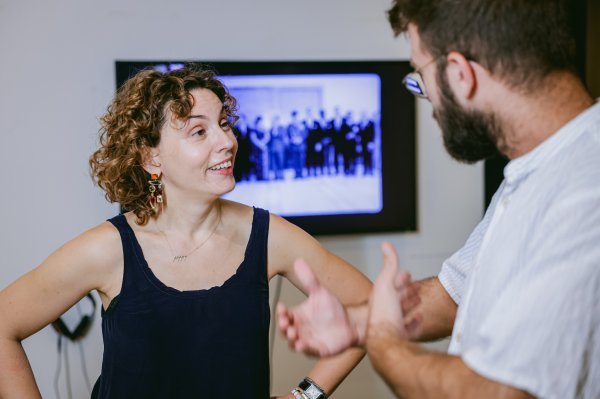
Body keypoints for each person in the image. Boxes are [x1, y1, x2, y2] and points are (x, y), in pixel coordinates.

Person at [277, 1, 600, 398]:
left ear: (462, 75)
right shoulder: (538, 167)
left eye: (420, 77)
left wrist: (382, 341)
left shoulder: (586, 188)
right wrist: (356, 323)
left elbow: (496, 393)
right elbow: (454, 296)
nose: (425, 98)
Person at [0, 65, 373, 399]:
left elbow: (373, 307)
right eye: (199, 131)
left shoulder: (268, 236)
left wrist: (305, 396)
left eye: (224, 123)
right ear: (151, 158)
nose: (226, 141)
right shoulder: (108, 249)